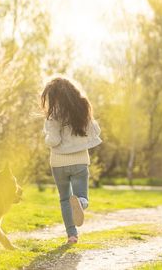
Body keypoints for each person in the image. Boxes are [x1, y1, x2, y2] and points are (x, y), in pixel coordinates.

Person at [40, 76, 102, 244]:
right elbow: (95, 130)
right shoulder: (82, 107)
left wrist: (46, 137)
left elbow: (53, 141)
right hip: (80, 161)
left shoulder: (54, 115)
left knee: (64, 199)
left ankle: (72, 235)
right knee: (81, 197)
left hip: (59, 163)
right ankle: (81, 203)